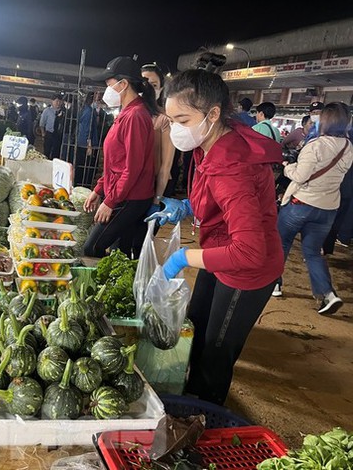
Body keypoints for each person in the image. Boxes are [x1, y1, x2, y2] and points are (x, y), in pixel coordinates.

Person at [145, 67, 284, 405]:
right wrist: (188, 206)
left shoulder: (232, 166)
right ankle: (191, 397)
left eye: (182, 119)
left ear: (213, 113)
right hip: (220, 253)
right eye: (171, 119)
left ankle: (204, 415)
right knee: (197, 328)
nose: (175, 129)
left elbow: (249, 251)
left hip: (246, 272)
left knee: (214, 355)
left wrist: (182, 258)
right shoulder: (213, 143)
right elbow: (221, 201)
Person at [274, 102, 353, 313]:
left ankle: (275, 284)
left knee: (281, 244)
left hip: (301, 205)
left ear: (325, 121)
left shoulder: (316, 145)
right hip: (327, 209)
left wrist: (287, 167)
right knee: (312, 252)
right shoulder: (348, 146)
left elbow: (300, 176)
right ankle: (327, 294)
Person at [82, 56, 157, 259]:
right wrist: (99, 190)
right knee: (119, 251)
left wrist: (111, 202)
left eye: (109, 84)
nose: (105, 90)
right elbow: (115, 163)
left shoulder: (135, 116)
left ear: (123, 84)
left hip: (130, 197)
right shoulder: (126, 113)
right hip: (122, 193)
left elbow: (132, 168)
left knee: (92, 247)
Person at [142, 63, 177, 211]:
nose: (148, 89)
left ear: (161, 89)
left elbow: (166, 166)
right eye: (144, 83)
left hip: (155, 185)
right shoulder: (129, 115)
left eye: (154, 85)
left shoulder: (164, 119)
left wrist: (156, 201)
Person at [75, 92, 99, 188]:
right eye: (97, 99)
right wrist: (89, 145)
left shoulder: (85, 109)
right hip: (87, 143)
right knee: (87, 167)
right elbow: (87, 129)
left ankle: (79, 184)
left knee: (81, 165)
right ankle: (84, 186)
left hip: (82, 142)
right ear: (93, 99)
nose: (99, 101)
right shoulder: (89, 111)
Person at [40, 94, 64, 159]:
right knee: (47, 152)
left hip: (58, 135)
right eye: (56, 101)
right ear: (52, 101)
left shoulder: (63, 112)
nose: (58, 103)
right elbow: (42, 123)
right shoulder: (47, 111)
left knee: (56, 152)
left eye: (60, 101)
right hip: (49, 134)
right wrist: (43, 133)